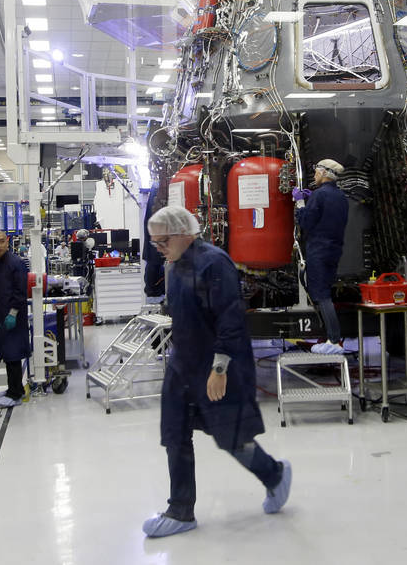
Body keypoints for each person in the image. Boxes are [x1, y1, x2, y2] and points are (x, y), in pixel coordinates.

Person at [142, 205, 291, 538]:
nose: (160, 249)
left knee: (232, 437)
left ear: (184, 233)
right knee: (174, 434)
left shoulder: (214, 262)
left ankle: (275, 475)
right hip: (184, 367)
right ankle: (180, 512)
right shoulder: (176, 265)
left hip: (218, 366)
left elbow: (230, 319)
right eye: (155, 244)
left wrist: (219, 367)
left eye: (163, 241)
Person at [293, 159, 349, 354]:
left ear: (325, 173)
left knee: (322, 295)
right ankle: (330, 339)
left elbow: (306, 222)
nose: (314, 175)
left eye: (316, 172)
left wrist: (300, 203)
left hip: (319, 250)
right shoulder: (341, 196)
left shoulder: (319, 195)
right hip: (334, 250)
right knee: (325, 292)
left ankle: (334, 341)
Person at [0, 230, 29, 409]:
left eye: (1, 241)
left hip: (14, 317)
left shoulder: (16, 264)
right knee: (6, 353)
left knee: (14, 354)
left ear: (8, 241)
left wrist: (13, 313)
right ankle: (12, 388)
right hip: (1, 316)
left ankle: (16, 394)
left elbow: (20, 291)